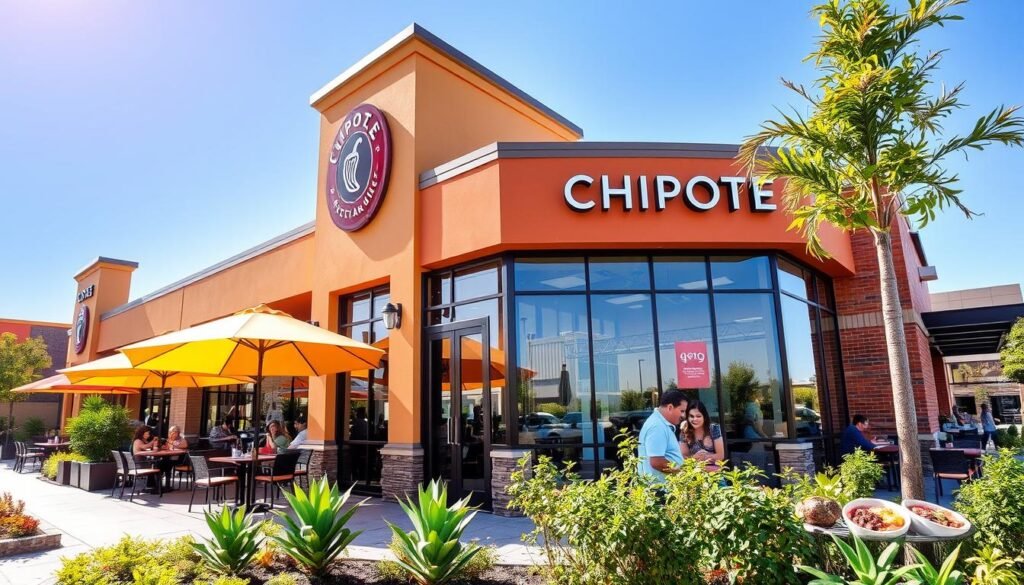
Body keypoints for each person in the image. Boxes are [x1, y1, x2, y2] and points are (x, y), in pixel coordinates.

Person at [637, 390, 688, 483]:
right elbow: (657, 462)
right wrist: (683, 474)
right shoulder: (657, 426)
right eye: (682, 411)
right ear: (670, 407)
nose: (684, 415)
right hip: (659, 492)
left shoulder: (660, 423)